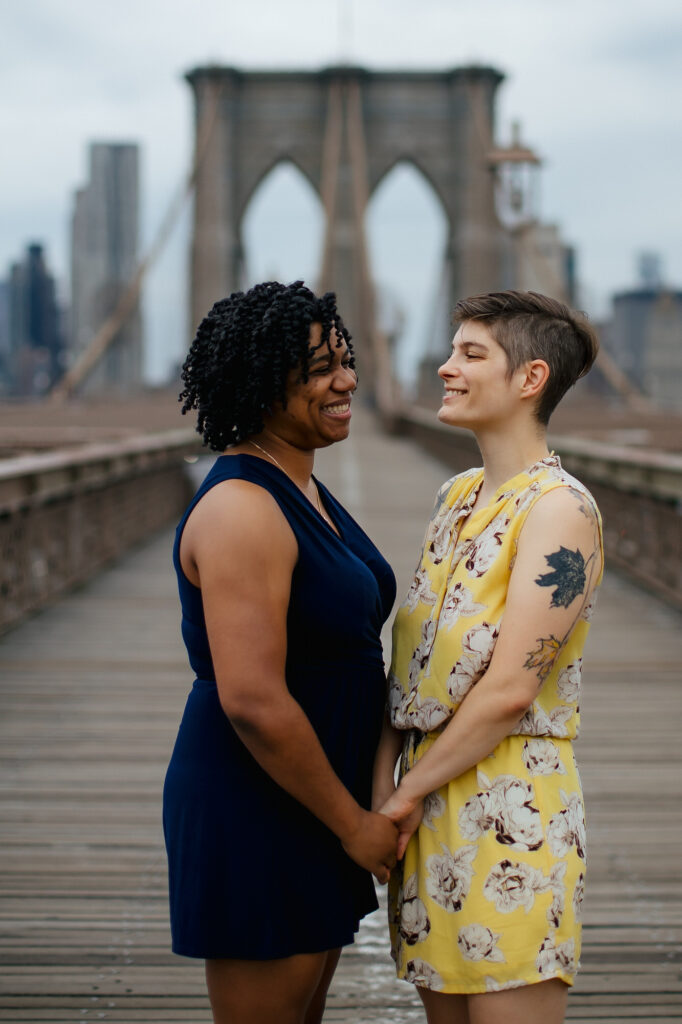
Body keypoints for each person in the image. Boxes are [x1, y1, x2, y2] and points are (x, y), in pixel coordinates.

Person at [162, 280, 398, 1024]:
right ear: (263, 383)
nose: (348, 380)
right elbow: (254, 701)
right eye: (322, 368)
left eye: (346, 359)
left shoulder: (303, 487)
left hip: (314, 798)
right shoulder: (241, 508)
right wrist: (355, 823)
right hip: (262, 803)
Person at [373, 290, 604, 1024]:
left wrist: (399, 800)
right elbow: (406, 674)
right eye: (451, 350)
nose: (446, 368)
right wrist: (387, 796)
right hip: (430, 816)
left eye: (471, 354)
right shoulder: (457, 496)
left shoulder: (560, 510)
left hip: (514, 817)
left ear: (530, 379)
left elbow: (509, 689)